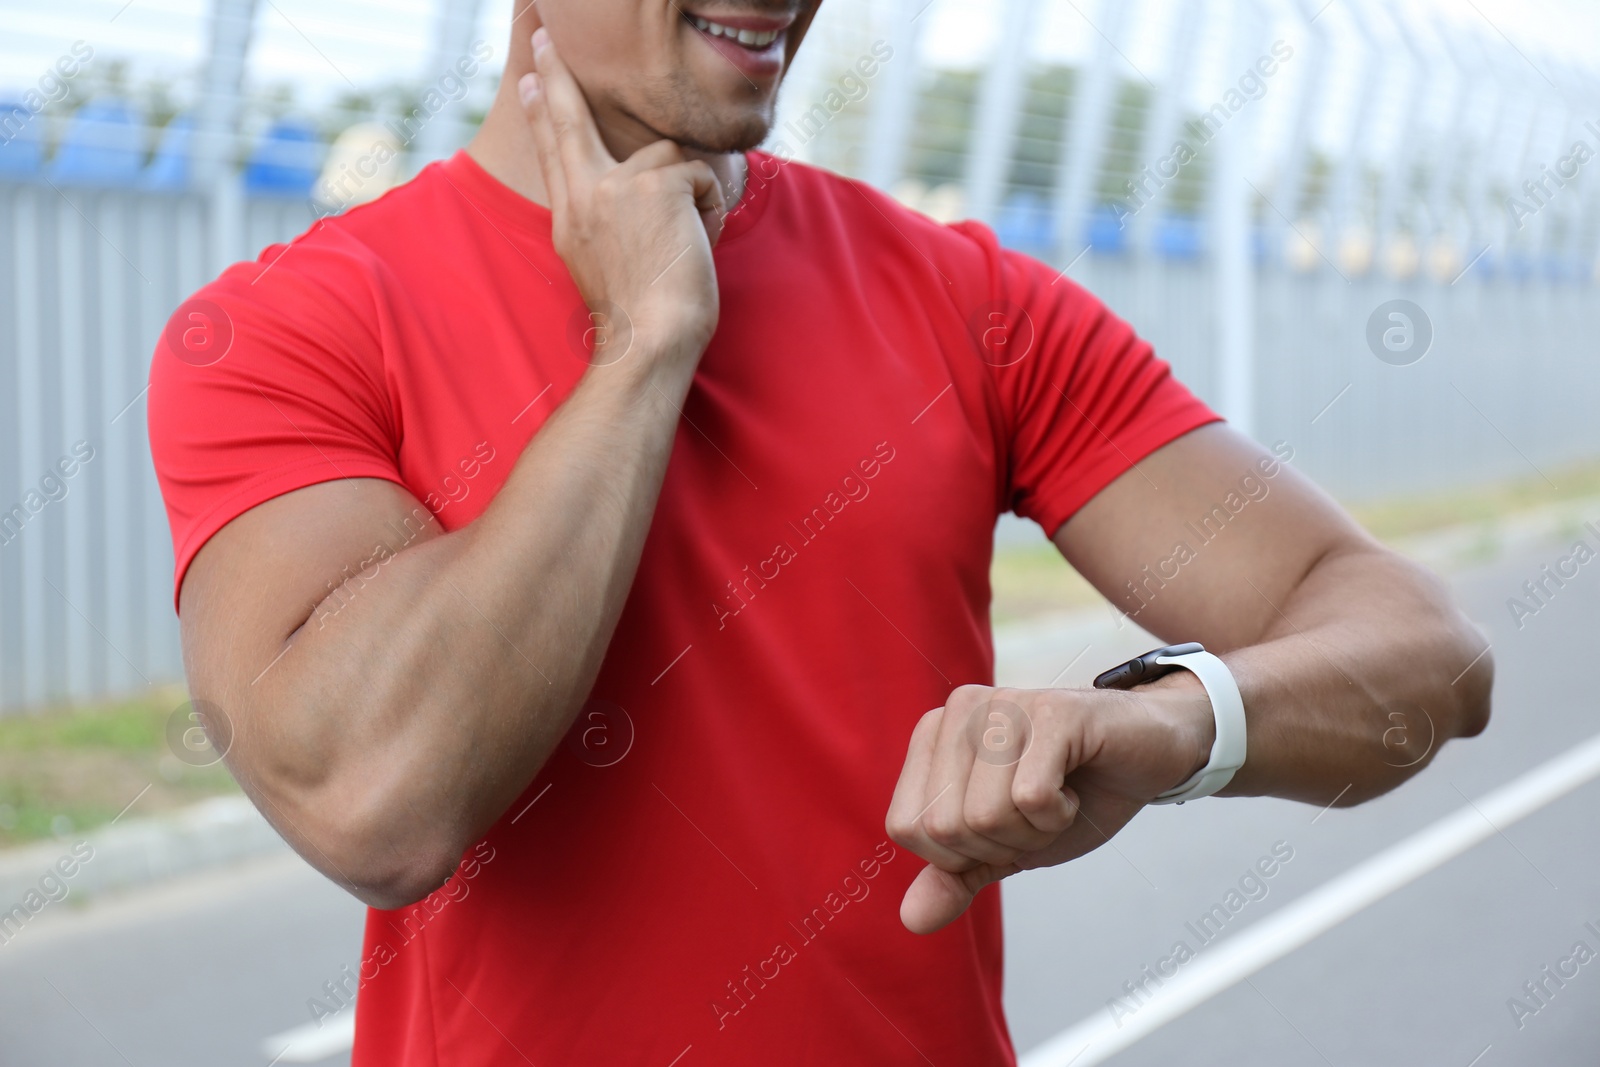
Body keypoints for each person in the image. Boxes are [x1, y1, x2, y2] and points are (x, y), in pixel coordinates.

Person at [148, 2, 1492, 1063]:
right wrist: (643, 350)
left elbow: (1427, 660)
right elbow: (375, 805)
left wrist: (1163, 721)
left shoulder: (966, 299)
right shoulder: (292, 332)